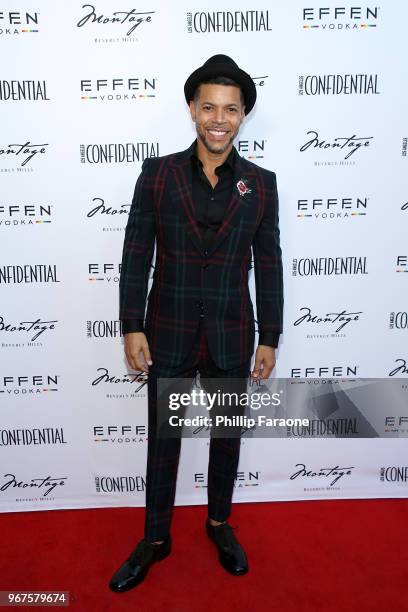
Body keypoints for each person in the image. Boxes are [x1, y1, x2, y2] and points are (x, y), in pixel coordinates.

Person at [109, 54, 284, 593]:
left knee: (227, 437)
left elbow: (269, 261)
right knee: (165, 438)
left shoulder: (261, 182)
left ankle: (219, 524)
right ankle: (155, 538)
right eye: (208, 105)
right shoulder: (157, 173)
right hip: (169, 330)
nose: (218, 117)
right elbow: (136, 251)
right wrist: (131, 324)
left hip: (233, 333)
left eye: (230, 109)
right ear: (191, 109)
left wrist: (271, 336)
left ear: (243, 116)